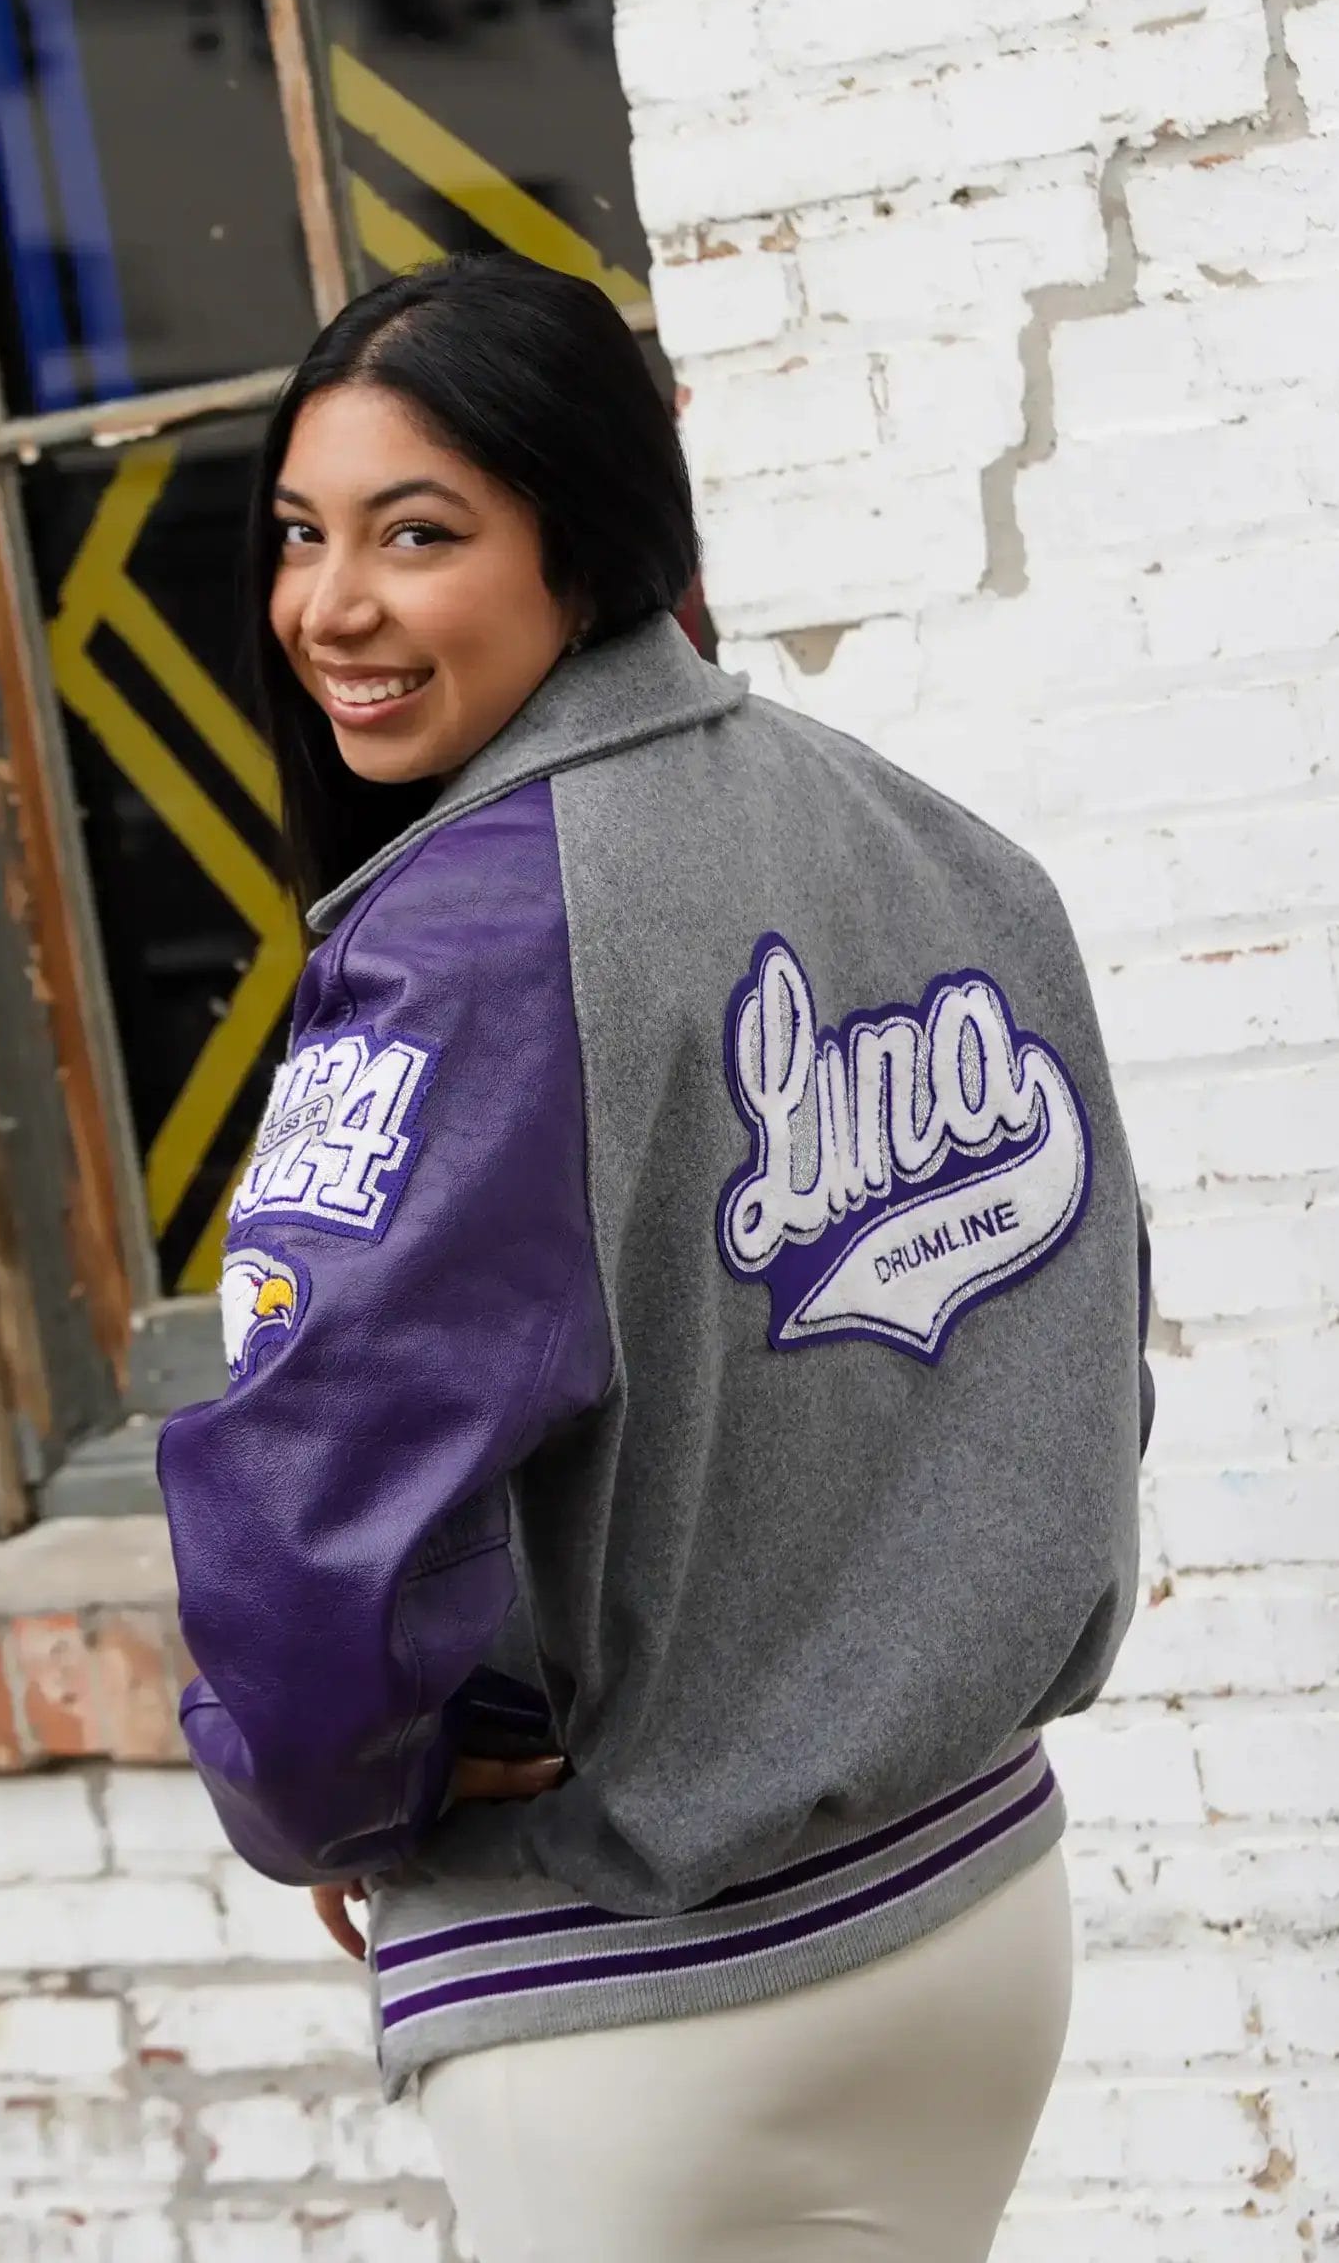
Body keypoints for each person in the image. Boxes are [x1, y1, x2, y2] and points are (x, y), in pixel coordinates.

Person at [157, 251, 1155, 2263]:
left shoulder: (463, 946)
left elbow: (309, 1505)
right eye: (298, 533)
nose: (326, 605)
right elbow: (1088, 1344)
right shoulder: (933, 841)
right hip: (971, 1917)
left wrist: (345, 1793)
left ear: (583, 540)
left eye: (415, 532)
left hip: (638, 1992)